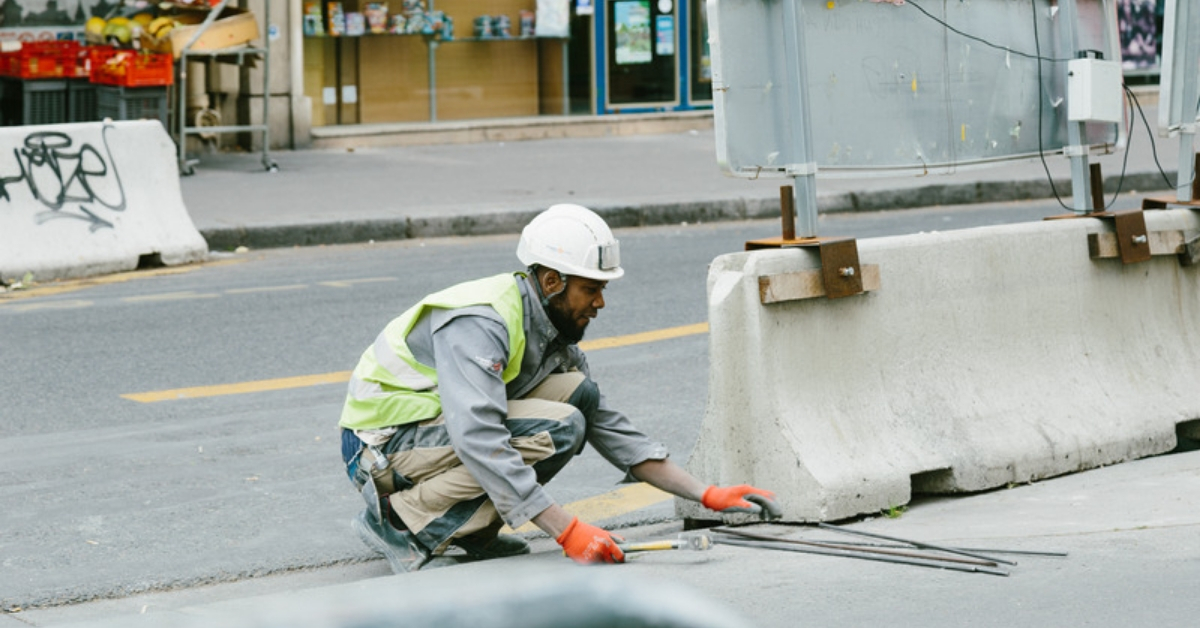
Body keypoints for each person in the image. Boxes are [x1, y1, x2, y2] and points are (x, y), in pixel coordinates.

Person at [338, 204, 780, 572]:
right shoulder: (481, 322)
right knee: (560, 427)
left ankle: (470, 531)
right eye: (591, 289)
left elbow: (610, 427)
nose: (600, 303)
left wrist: (706, 493)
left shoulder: (551, 329)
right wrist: (566, 530)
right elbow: (478, 436)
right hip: (380, 448)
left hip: (427, 436)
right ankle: (400, 524)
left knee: (578, 397)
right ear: (552, 282)